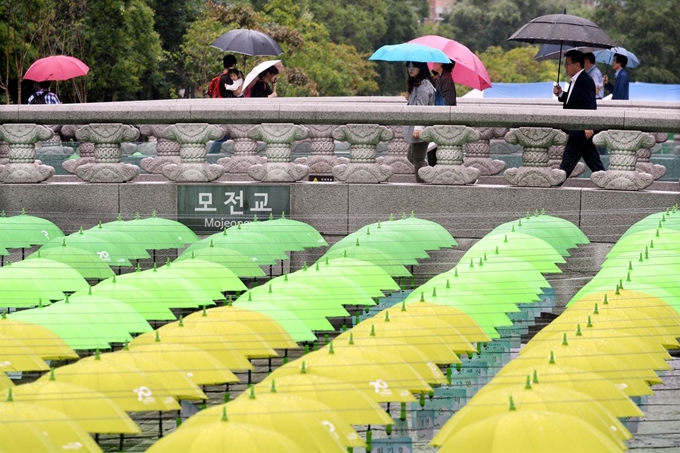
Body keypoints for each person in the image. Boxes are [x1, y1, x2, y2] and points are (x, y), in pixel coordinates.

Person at [552, 49, 605, 179]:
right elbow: (572, 101)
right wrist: (560, 94)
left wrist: (588, 125)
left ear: (577, 65)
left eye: (567, 64)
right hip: (578, 129)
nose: (565, 67)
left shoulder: (585, 80)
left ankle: (556, 183)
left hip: (580, 130)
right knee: (594, 163)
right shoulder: (575, 80)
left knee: (567, 163)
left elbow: (590, 104)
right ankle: (607, 181)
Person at [403, 61, 436, 183]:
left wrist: (418, 128)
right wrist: (410, 96)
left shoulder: (423, 86)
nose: (411, 69)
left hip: (421, 127)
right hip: (419, 126)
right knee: (412, 156)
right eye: (409, 66)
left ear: (421, 68)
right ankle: (432, 176)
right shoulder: (419, 84)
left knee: (417, 158)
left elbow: (422, 109)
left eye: (414, 66)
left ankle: (422, 187)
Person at [428, 60, 457, 165]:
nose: (433, 63)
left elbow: (449, 102)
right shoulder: (440, 78)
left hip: (443, 121)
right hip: (438, 120)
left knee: (444, 153)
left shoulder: (446, 79)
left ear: (442, 64)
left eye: (435, 61)